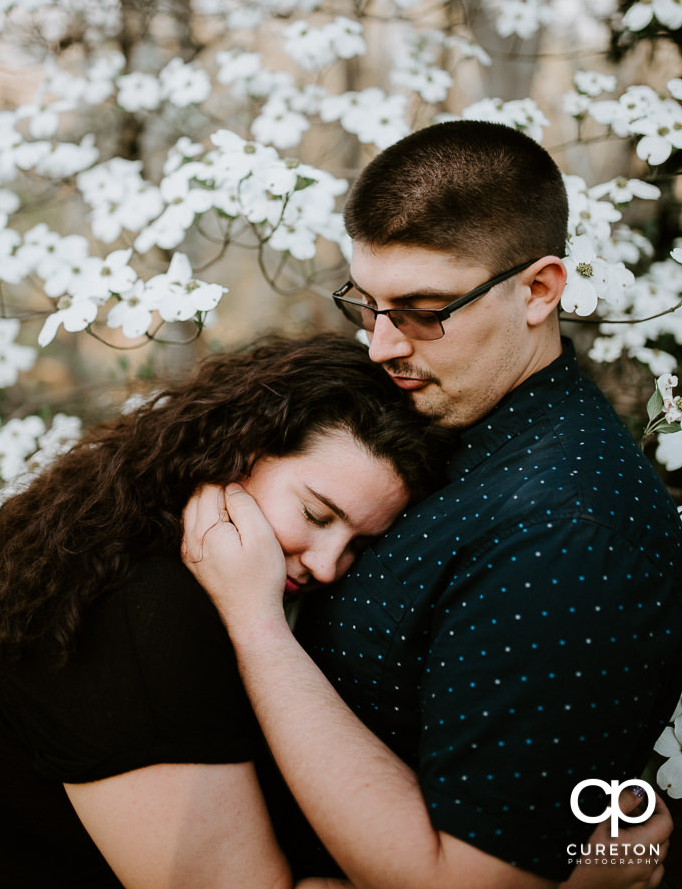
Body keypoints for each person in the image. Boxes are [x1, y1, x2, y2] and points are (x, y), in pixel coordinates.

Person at [182, 120, 682, 889]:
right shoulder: (432, 417)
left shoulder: (567, 530)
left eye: (423, 309)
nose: (382, 344)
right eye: (367, 304)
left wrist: (255, 625)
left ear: (538, 290)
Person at [0, 334, 451, 889]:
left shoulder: (147, 540)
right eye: (316, 515)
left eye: (358, 546)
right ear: (244, 449)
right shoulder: (138, 609)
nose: (327, 565)